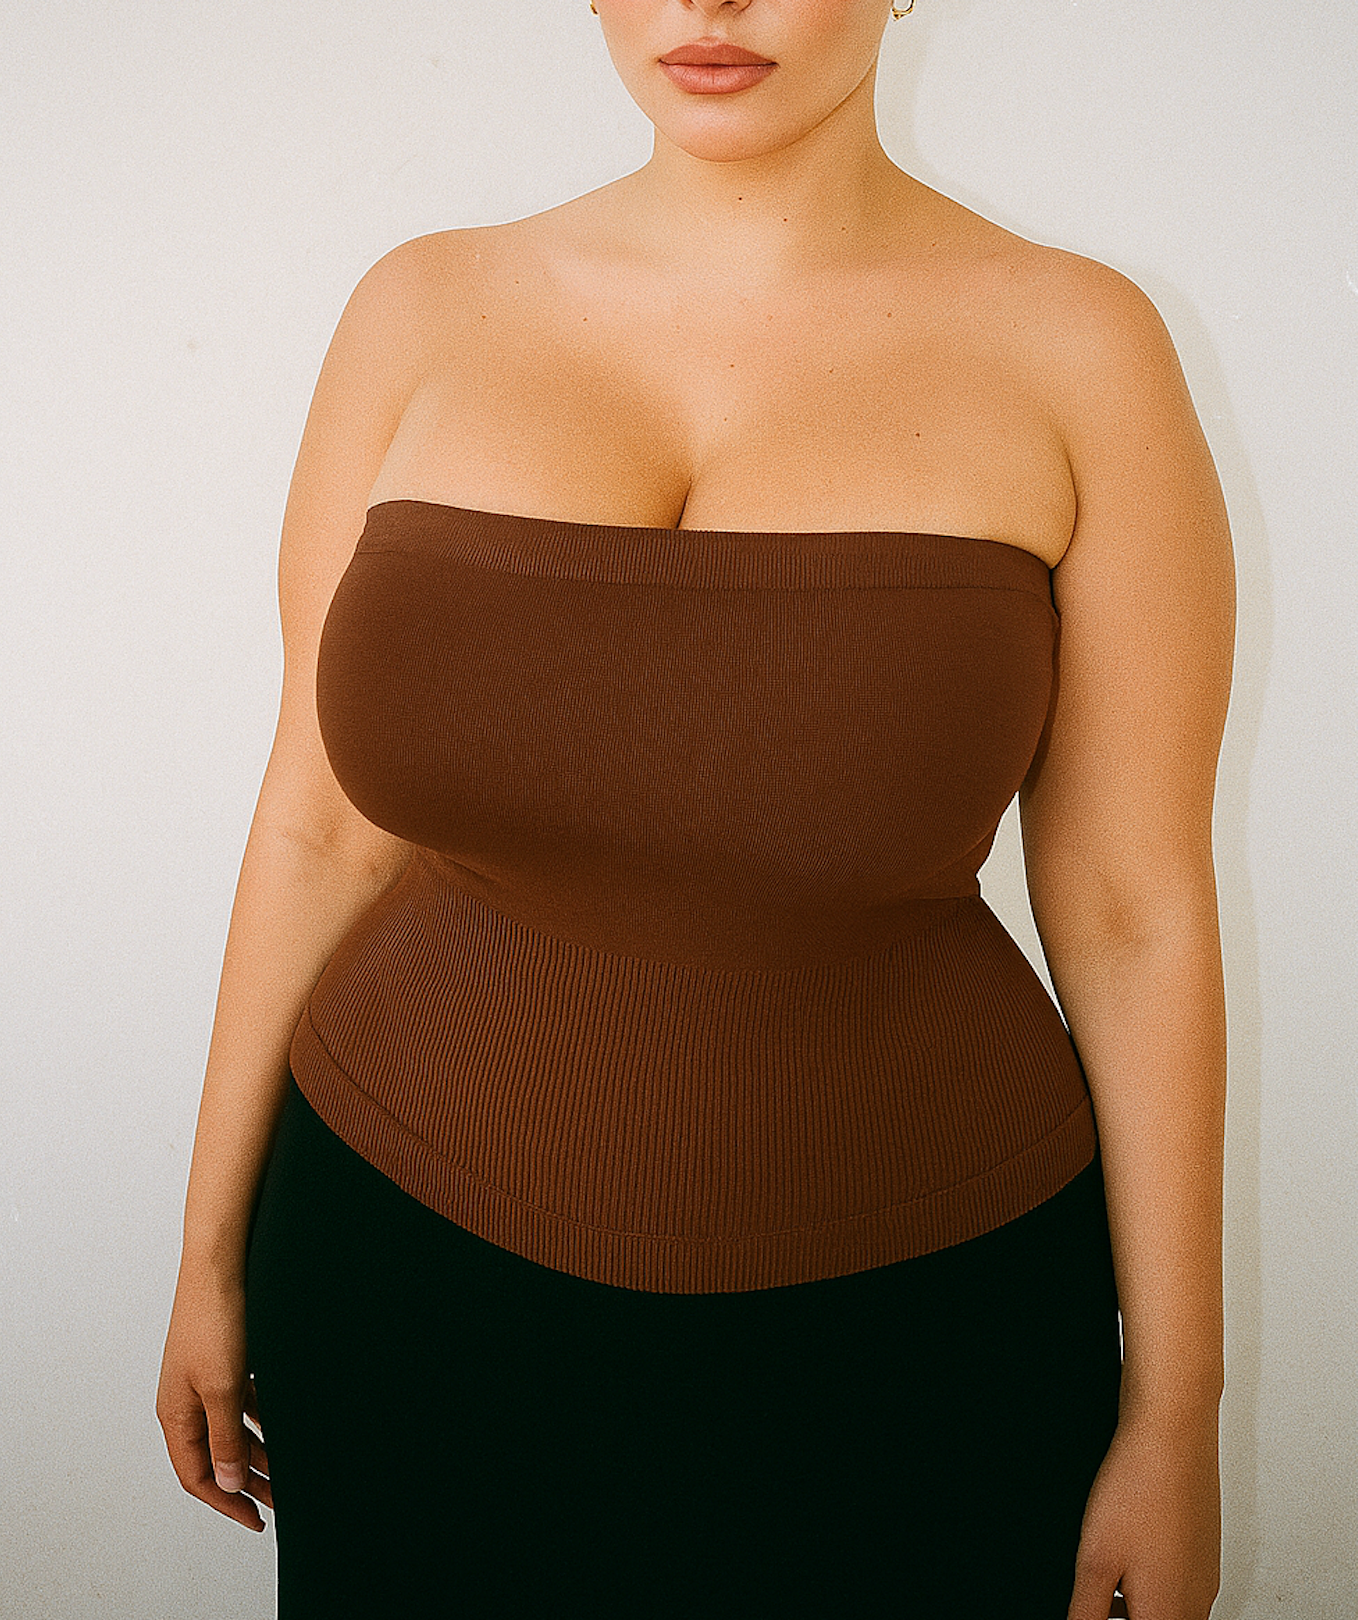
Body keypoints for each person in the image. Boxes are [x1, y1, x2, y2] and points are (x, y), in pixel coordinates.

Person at [156, 3, 1234, 1616]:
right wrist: (207, 1254)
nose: (708, 0)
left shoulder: (1082, 345)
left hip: (919, 1333)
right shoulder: (419, 306)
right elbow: (319, 826)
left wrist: (1175, 1411)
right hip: (399, 1282)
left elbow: (1133, 910)